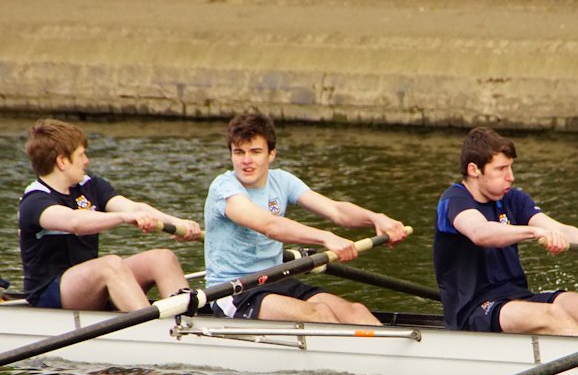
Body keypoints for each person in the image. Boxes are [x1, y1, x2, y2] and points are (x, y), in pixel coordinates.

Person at [204, 113, 408, 324]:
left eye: (255, 152)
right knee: (319, 314)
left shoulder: (282, 180)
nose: (246, 161)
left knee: (357, 312)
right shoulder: (224, 189)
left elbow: (336, 210)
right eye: (239, 152)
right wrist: (326, 238)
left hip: (276, 280)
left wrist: (376, 218)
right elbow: (270, 226)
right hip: (233, 290)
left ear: (271, 154)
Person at [433, 127, 578, 337]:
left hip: (517, 298)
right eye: (501, 169)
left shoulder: (512, 199)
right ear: (474, 170)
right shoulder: (454, 200)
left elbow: (559, 229)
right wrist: (534, 232)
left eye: (510, 168)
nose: (511, 177)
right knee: (551, 314)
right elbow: (480, 233)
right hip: (474, 309)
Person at [18, 119, 202, 311]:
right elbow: (74, 222)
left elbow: (133, 207)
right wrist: (122, 218)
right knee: (110, 265)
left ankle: (188, 326)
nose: (86, 161)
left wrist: (178, 223)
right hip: (51, 292)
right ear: (62, 161)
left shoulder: (90, 186)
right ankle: (152, 332)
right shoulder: (35, 201)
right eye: (81, 155)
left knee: (162, 258)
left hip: (91, 280)